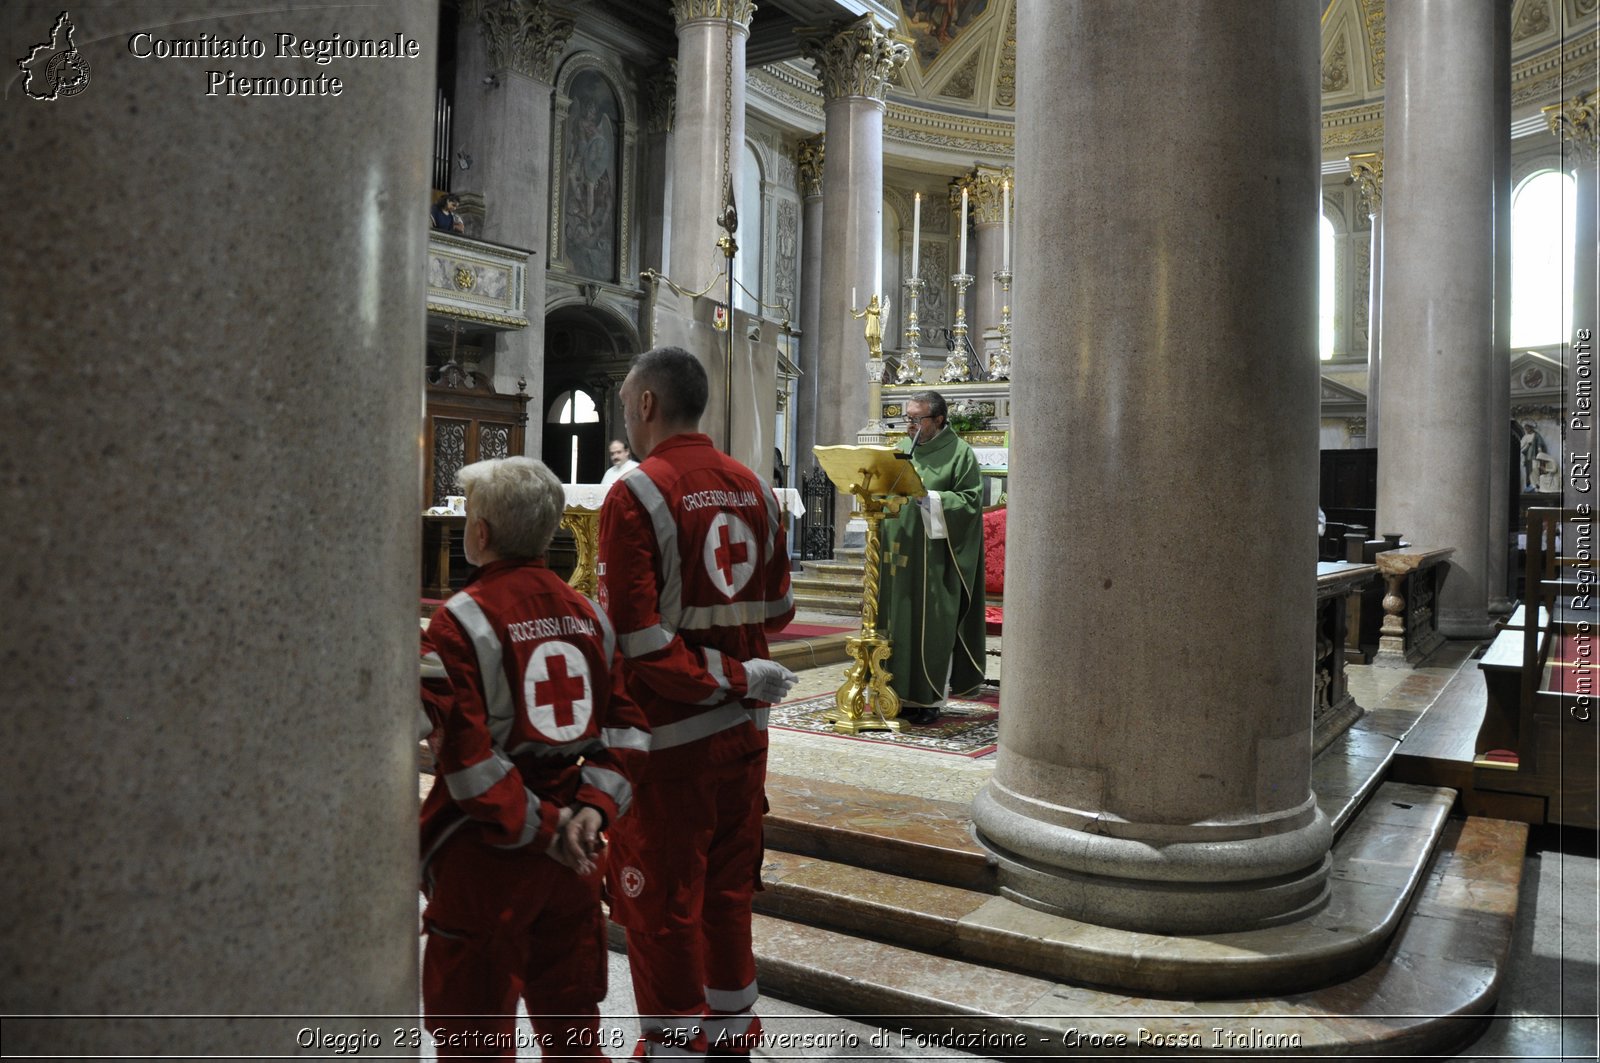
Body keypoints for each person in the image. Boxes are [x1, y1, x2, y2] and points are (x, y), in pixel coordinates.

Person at [597, 346, 798, 1060]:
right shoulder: (753, 485)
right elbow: (777, 611)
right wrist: (740, 673)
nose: (626, 411)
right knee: (726, 898)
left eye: (626, 401)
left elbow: (638, 639)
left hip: (669, 745)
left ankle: (677, 1049)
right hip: (744, 743)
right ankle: (732, 1038)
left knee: (662, 913)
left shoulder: (636, 493)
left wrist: (725, 676)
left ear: (647, 405)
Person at [418, 456, 649, 1059]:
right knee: (574, 1035)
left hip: (487, 853)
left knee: (473, 1045)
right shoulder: (589, 615)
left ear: (482, 533)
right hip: (574, 857)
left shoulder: (457, 621)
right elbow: (626, 732)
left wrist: (547, 831)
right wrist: (591, 813)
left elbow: (468, 765)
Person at [881, 389, 986, 724]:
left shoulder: (959, 454)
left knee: (931, 628)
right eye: (907, 418)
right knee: (895, 625)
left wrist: (931, 499)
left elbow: (970, 503)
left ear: (939, 419)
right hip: (897, 558)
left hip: (935, 562)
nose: (909, 426)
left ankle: (927, 701)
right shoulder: (900, 450)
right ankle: (891, 694)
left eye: (916, 419)